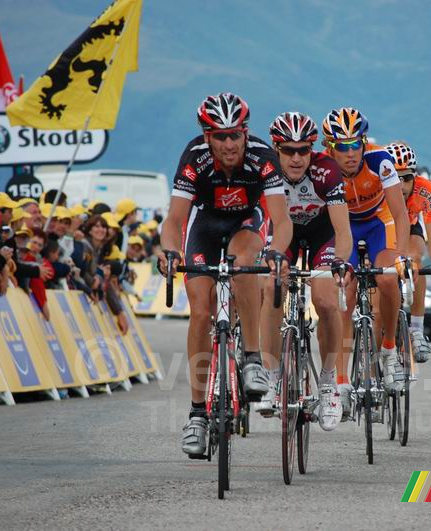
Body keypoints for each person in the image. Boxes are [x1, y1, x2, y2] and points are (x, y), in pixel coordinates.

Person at [156, 93, 292, 457]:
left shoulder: (263, 157)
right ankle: (198, 415)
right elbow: (174, 220)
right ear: (206, 136)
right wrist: (169, 251)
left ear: (246, 133)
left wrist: (277, 250)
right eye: (220, 136)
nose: (229, 144)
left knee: (243, 262)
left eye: (235, 135)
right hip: (205, 224)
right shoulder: (194, 158)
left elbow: (281, 220)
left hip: (246, 223)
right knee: (201, 311)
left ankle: (251, 358)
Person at [257, 111, 351, 431]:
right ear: (275, 148)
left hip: (323, 234)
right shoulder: (266, 169)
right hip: (285, 235)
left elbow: (343, 229)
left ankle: (328, 384)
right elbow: (261, 222)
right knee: (271, 290)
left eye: (304, 150)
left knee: (325, 301)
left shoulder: (327, 170)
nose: (297, 158)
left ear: (313, 150)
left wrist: (340, 260)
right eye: (288, 150)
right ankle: (271, 377)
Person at [321, 107, 410, 415]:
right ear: (329, 147)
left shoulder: (379, 161)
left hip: (377, 223)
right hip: (343, 227)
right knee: (344, 294)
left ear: (364, 142)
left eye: (355, 143)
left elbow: (400, 213)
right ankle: (343, 382)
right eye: (342, 147)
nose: (350, 153)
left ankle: (388, 350)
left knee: (387, 278)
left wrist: (401, 255)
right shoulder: (324, 168)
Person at [385, 141, 431, 363]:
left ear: (415, 176)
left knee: (415, 261)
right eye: (395, 178)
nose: (402, 184)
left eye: (406, 178)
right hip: (382, 227)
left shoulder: (426, 190)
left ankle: (416, 329)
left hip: (411, 225)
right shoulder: (378, 190)